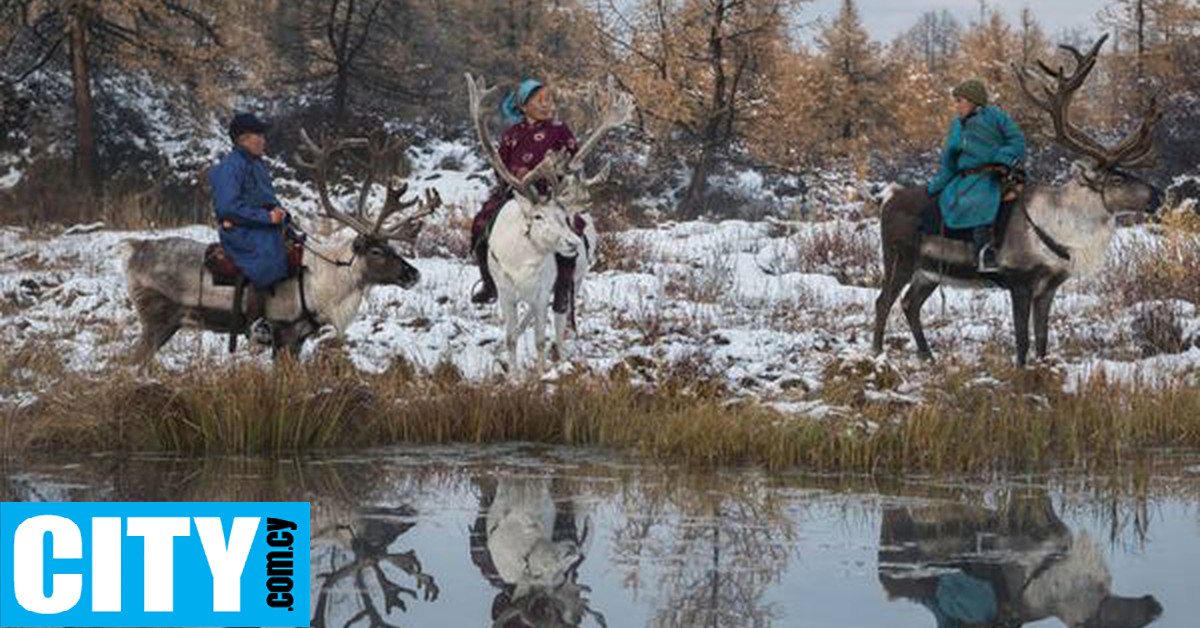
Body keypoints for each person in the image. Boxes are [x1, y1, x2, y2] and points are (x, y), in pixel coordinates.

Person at [471, 79, 581, 313]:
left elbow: (574, 159)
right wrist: (512, 179)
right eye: (538, 99)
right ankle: (489, 283)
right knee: (480, 224)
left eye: (548, 99)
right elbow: (499, 164)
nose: (546, 104)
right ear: (522, 106)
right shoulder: (511, 134)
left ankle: (562, 290)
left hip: (550, 196)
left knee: (573, 230)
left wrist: (560, 175)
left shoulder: (559, 130)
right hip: (515, 194)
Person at [927, 79, 1025, 273]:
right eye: (956, 101)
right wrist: (936, 185)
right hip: (966, 178)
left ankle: (985, 253)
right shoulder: (957, 125)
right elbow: (949, 160)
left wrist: (1002, 159)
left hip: (994, 174)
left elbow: (1017, 139)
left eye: (960, 100)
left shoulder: (996, 116)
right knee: (953, 200)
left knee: (982, 200)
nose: (956, 105)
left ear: (974, 101)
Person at [208, 112, 290, 345]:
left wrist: (280, 213)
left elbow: (267, 198)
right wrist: (266, 217)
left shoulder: (257, 165)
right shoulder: (229, 168)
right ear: (243, 139)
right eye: (259, 135)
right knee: (267, 257)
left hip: (260, 226)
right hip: (240, 231)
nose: (264, 140)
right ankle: (256, 324)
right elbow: (228, 208)